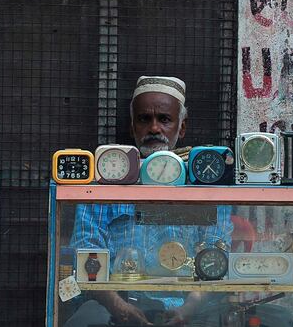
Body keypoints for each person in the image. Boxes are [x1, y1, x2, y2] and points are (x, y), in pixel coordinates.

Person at [67, 76, 233, 327]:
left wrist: (189, 309)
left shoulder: (205, 185)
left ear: (182, 126)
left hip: (191, 307)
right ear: (133, 126)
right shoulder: (102, 187)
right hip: (116, 304)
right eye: (144, 119)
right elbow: (85, 252)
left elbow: (217, 253)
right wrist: (119, 307)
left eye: (164, 119)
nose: (154, 128)